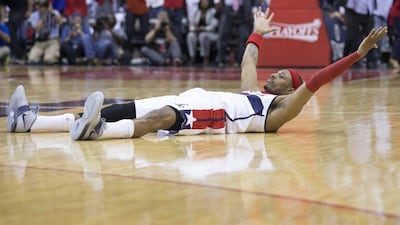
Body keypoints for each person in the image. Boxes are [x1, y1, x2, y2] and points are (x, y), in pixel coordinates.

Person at [7, 8, 387, 141]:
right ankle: (32, 123)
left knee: (162, 120)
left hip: (214, 118)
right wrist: (257, 30)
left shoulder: (279, 111)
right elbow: (248, 61)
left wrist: (357, 54)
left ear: (291, 88)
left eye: (282, 75)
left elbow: (318, 80)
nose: (273, 77)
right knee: (114, 108)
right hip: (192, 96)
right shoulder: (250, 91)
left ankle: (98, 135)